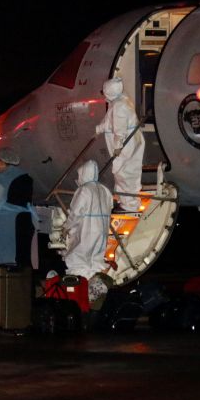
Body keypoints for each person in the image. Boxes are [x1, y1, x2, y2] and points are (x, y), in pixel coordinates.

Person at [95, 77, 144, 212]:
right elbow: (109, 122)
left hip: (125, 145)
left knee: (124, 173)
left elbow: (119, 131)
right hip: (127, 143)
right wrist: (98, 130)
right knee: (121, 173)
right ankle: (124, 201)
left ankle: (130, 204)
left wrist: (117, 147)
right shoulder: (119, 101)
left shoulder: (119, 106)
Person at [0, 147, 36, 268]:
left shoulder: (1, 178)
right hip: (24, 221)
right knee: (20, 256)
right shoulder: (26, 177)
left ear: (4, 162)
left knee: (1, 259)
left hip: (5, 225)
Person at [63, 160, 113, 280]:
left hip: (87, 231)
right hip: (102, 232)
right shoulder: (105, 190)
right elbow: (110, 207)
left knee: (78, 259)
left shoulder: (84, 190)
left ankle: (79, 287)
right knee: (95, 261)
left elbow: (75, 213)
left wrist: (66, 227)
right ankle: (94, 288)